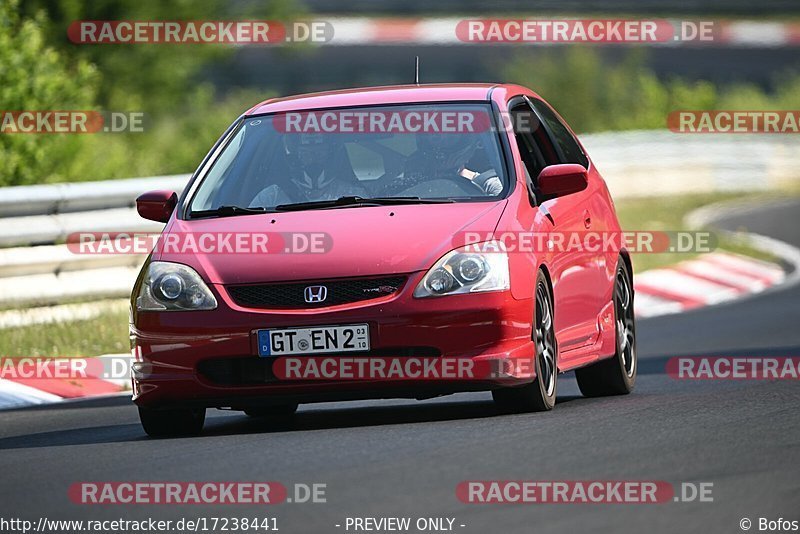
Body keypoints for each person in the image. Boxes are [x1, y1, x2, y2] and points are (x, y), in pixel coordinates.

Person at [250, 133, 366, 208]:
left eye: (320, 152)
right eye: (305, 153)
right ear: (294, 156)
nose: (313, 157)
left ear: (331, 155)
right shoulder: (270, 197)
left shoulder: (355, 196)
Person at [391, 133, 503, 196]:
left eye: (451, 137)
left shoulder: (489, 185)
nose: (443, 145)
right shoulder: (406, 182)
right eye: (436, 137)